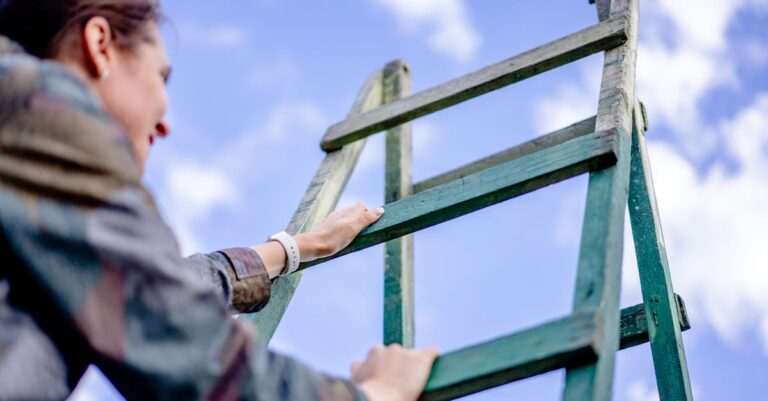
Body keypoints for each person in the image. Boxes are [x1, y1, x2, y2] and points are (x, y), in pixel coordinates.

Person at [0, 0, 438, 400]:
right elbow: (173, 330)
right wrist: (375, 394)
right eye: (161, 76)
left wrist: (296, 248)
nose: (165, 123)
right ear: (100, 46)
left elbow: (140, 281)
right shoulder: (32, 99)